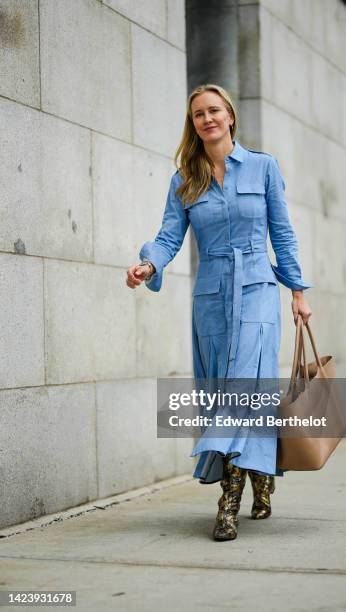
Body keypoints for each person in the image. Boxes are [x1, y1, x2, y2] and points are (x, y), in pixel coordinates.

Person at [126, 83, 312, 541]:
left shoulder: (264, 167)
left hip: (257, 289)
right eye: (197, 115)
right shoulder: (185, 179)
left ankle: (227, 506)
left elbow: (282, 233)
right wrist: (149, 264)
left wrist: (298, 291)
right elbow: (170, 237)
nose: (206, 119)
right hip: (210, 296)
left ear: (230, 115)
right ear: (193, 125)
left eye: (214, 111)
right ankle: (260, 476)